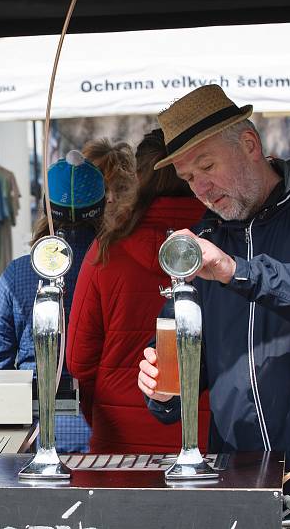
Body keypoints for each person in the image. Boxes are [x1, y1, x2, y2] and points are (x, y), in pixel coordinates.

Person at [137, 84, 290, 515]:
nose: (202, 189)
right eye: (190, 178)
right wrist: (163, 390)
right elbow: (186, 363)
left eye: (207, 166)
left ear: (250, 145)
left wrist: (239, 272)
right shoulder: (203, 239)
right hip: (242, 485)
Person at [0, 142, 130, 452]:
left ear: (47, 206)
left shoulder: (17, 274)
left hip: (37, 435)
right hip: (113, 431)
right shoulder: (122, 267)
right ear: (103, 206)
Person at [66, 129, 209, 454]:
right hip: (205, 435)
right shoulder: (224, 247)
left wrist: (101, 409)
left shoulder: (107, 249)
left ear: (139, 175)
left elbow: (77, 359)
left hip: (118, 441)